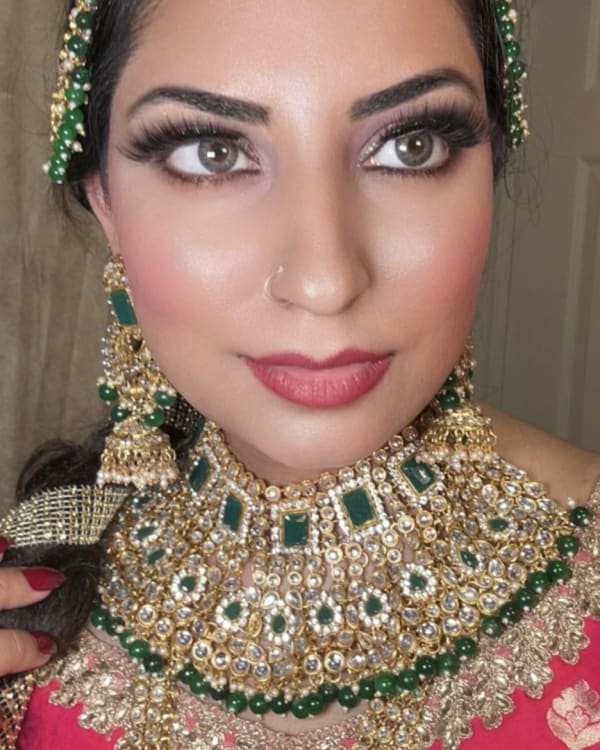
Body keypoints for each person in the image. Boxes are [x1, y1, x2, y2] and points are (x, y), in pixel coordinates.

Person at [0, 0, 599, 748]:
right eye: (212, 154)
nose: (325, 281)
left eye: (410, 147)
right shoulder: (26, 597)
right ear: (106, 202)